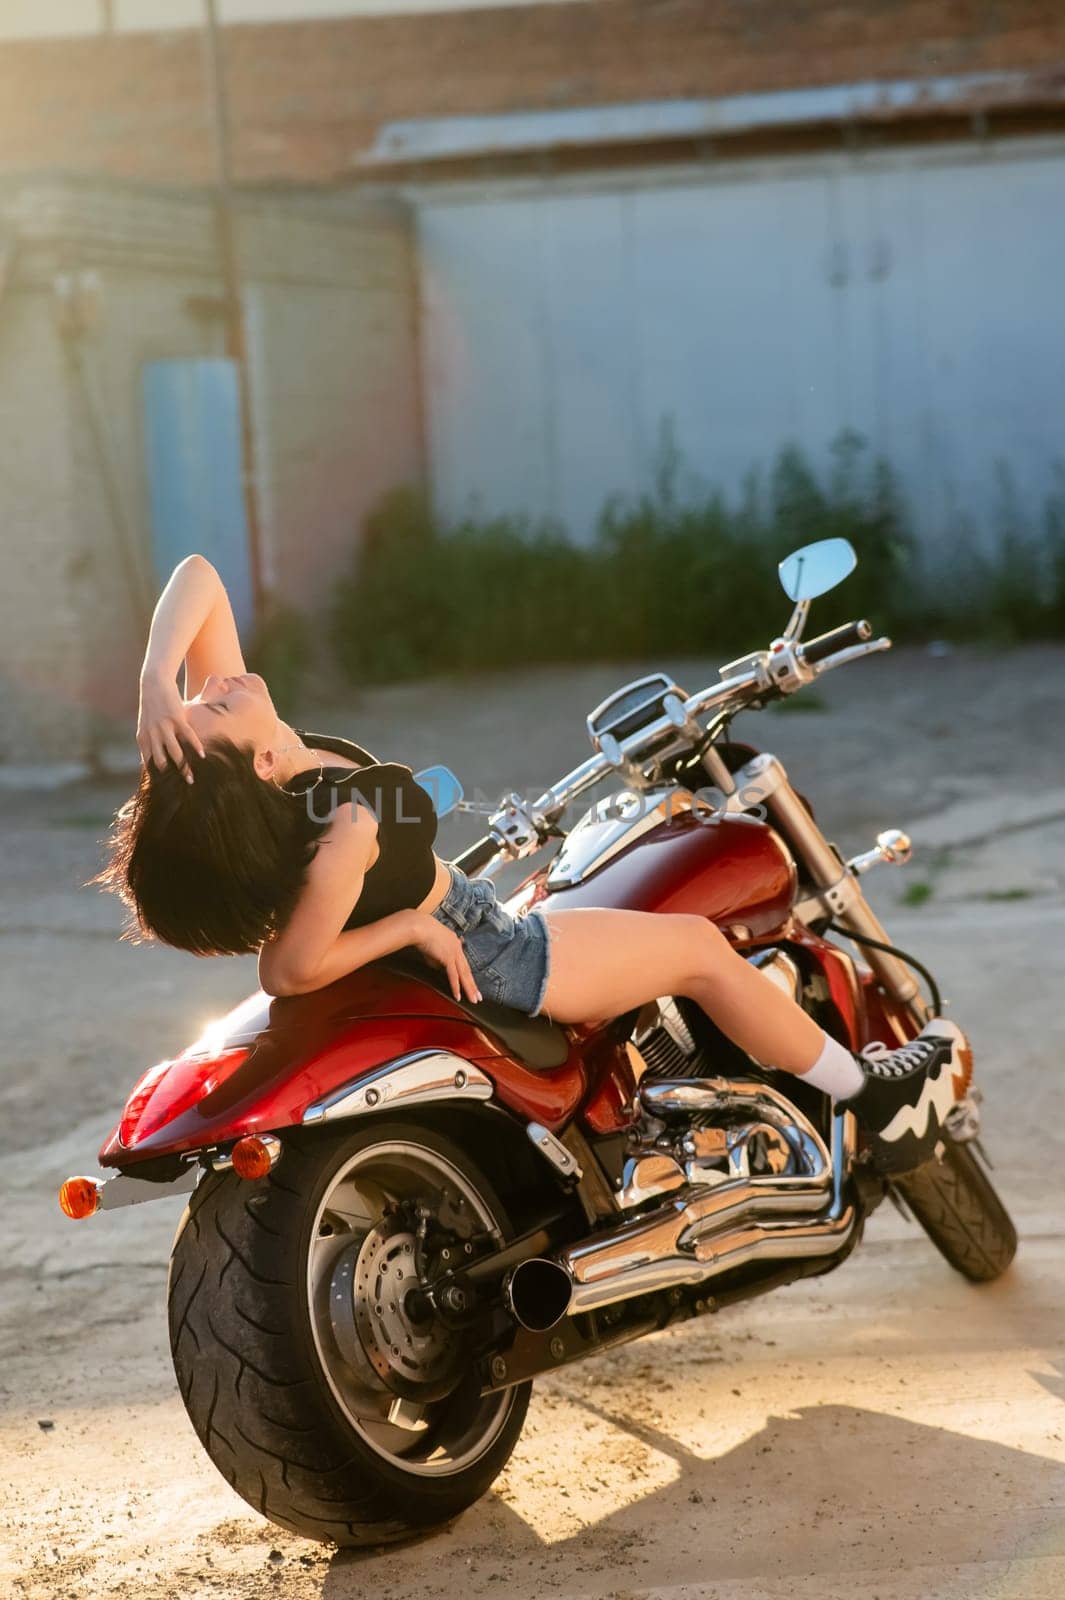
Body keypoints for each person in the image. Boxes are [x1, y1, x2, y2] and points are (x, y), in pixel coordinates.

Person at [92, 555, 971, 1176]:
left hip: (461, 926)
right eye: (207, 707)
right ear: (253, 769)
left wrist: (152, 687)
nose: (214, 685)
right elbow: (287, 969)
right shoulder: (345, 824)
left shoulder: (276, 770)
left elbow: (200, 577)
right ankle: (869, 1100)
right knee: (700, 948)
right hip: (493, 951)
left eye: (199, 692)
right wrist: (409, 922)